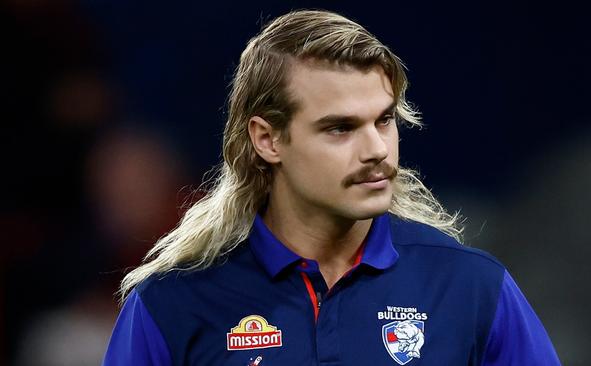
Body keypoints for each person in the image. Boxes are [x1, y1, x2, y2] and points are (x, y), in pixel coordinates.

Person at [103, 9, 561, 365]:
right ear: (267, 139)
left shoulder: (471, 287)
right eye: (340, 128)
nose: (376, 149)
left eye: (384, 120)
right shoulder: (172, 303)